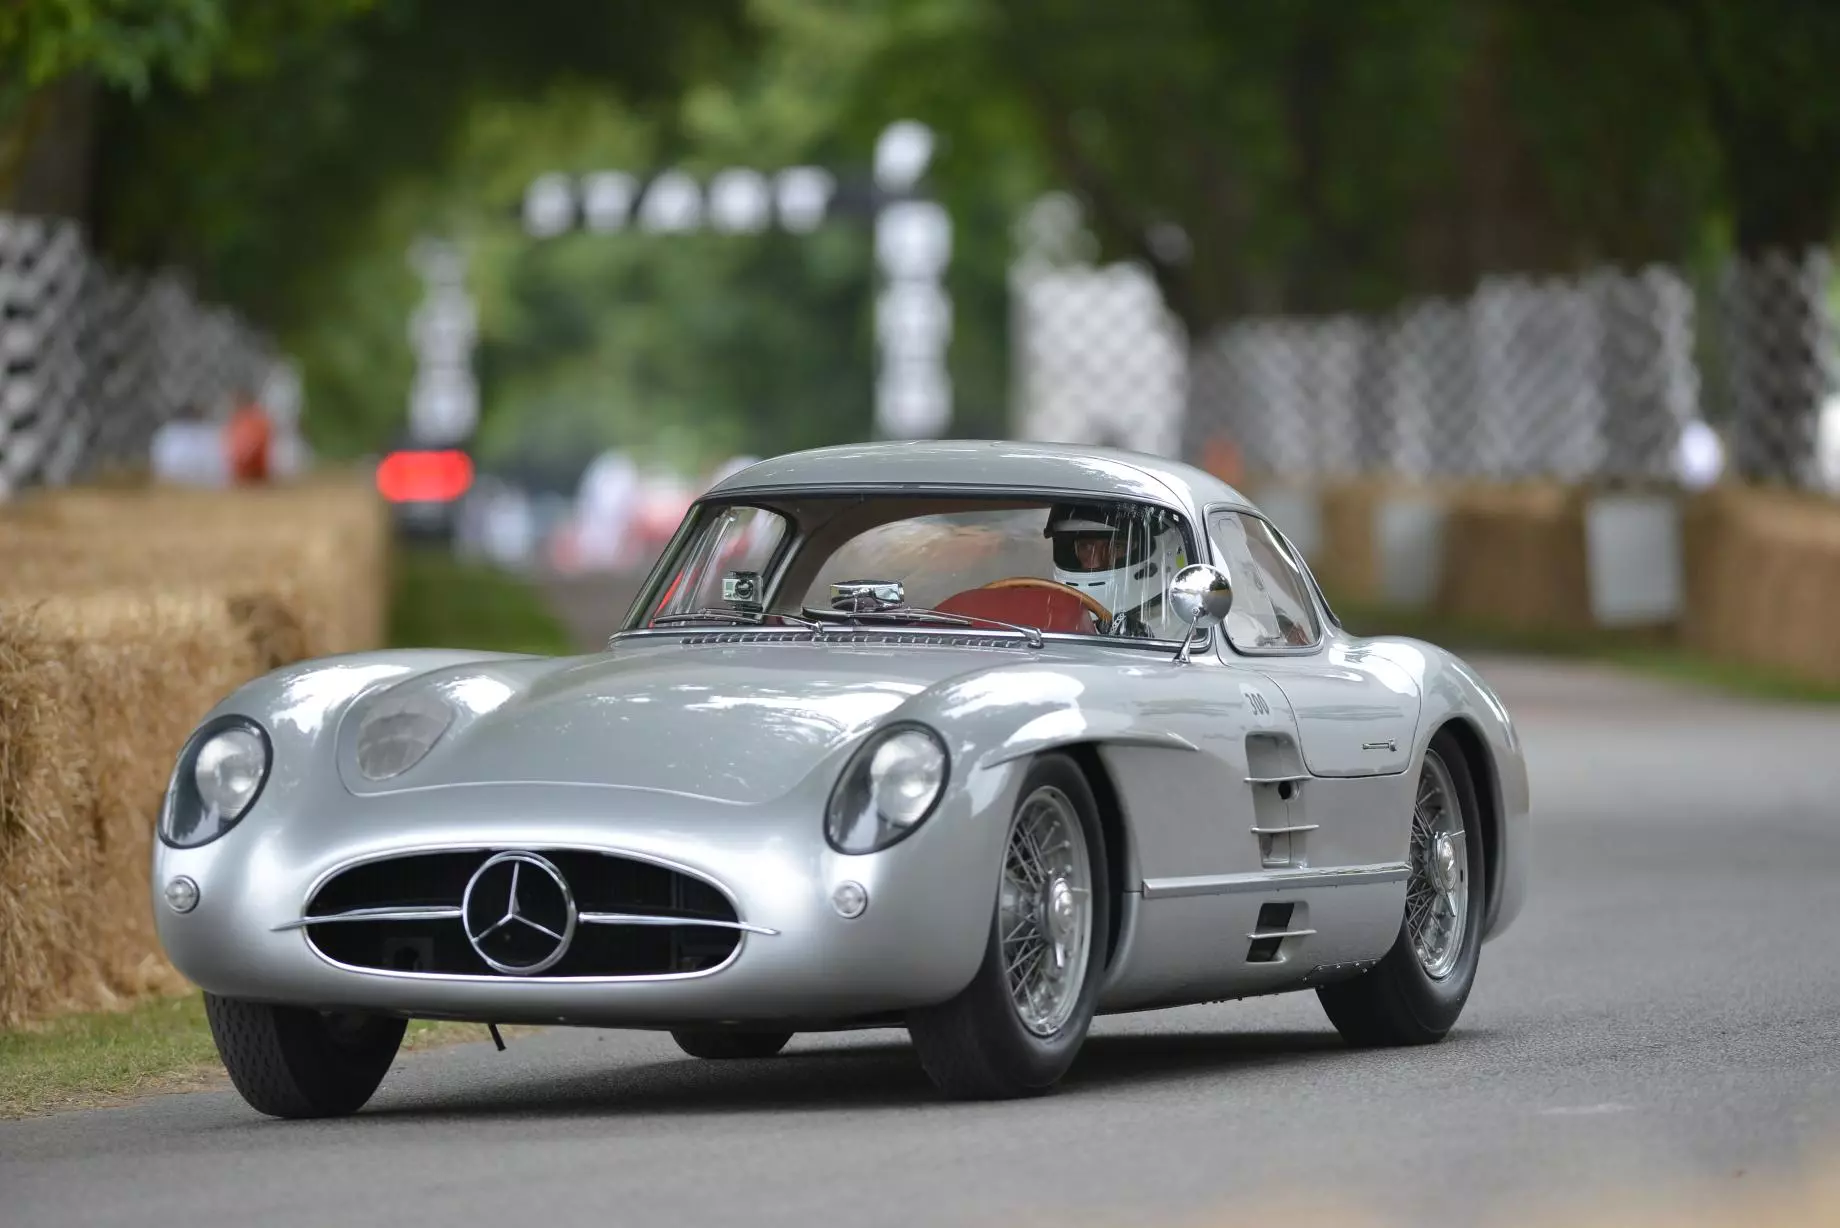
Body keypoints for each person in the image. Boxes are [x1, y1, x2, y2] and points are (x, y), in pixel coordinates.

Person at [1043, 502, 1188, 638]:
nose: (1094, 562)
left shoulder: (1182, 629)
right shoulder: (1047, 618)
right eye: (1086, 547)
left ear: (1165, 553)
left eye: (1117, 547)